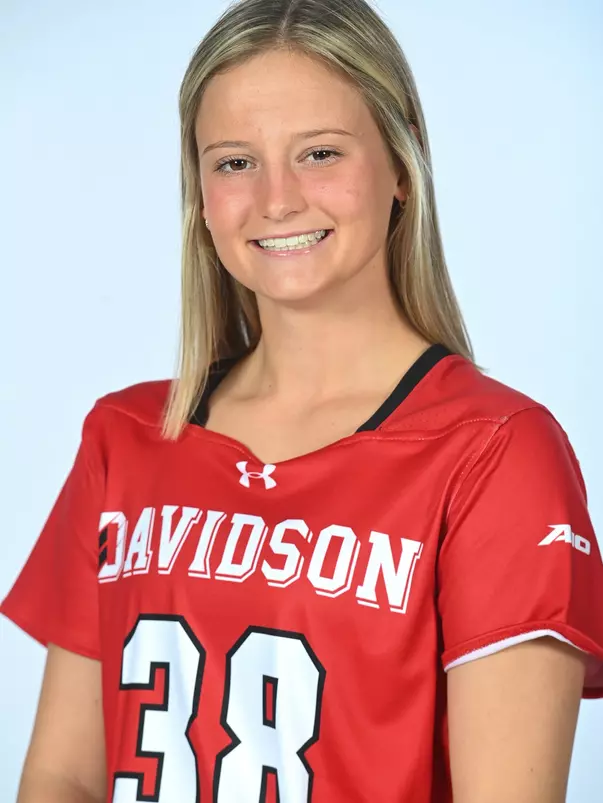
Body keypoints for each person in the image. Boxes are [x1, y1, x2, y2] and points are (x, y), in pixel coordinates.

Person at [2, 0, 602, 801]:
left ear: (400, 164)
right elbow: (63, 777)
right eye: (234, 161)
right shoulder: (126, 436)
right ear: (200, 191)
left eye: (319, 153)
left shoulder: (494, 449)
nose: (277, 199)